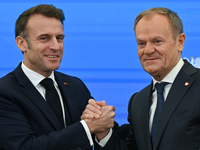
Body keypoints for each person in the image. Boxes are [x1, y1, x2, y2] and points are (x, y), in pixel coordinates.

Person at [0, 4, 118, 150]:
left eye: (59, 38)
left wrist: (103, 131)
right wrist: (87, 128)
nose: (56, 46)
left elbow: (108, 133)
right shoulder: (4, 92)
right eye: (44, 38)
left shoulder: (76, 85)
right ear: (22, 43)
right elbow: (24, 147)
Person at [83, 7, 200, 150]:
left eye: (157, 41)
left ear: (180, 42)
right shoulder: (138, 102)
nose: (148, 50)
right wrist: (103, 132)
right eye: (142, 43)